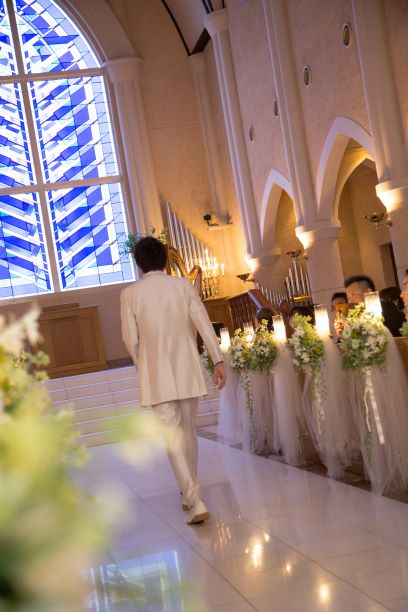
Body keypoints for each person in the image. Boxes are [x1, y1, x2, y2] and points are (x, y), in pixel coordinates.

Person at [120, 237, 226, 525]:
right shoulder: (183, 286)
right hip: (187, 368)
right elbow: (203, 323)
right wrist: (217, 359)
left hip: (156, 374)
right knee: (188, 433)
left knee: (172, 437)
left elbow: (130, 339)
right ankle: (188, 494)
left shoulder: (130, 294)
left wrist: (143, 366)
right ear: (165, 260)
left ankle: (194, 498)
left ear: (139, 264)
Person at [335, 275, 404, 337]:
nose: (350, 301)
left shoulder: (386, 308)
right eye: (348, 297)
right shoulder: (352, 317)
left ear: (368, 292)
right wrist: (343, 334)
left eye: (353, 295)